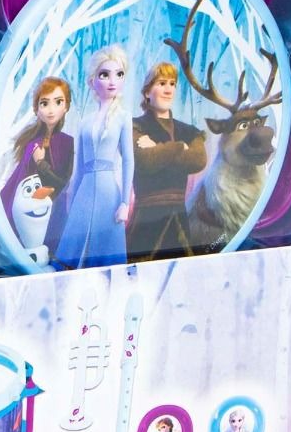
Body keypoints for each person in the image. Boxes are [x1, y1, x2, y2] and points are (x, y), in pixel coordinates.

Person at [54, 47, 135, 269]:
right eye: (104, 74)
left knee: (107, 250)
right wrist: (72, 198)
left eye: (119, 74)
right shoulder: (85, 122)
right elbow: (79, 167)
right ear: (92, 81)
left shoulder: (123, 117)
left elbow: (128, 160)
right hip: (84, 191)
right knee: (74, 248)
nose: (112, 81)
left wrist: (125, 202)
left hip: (109, 192)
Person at [128, 62, 207, 259]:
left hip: (180, 219)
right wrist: (181, 147)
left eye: (172, 84)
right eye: (162, 83)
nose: (168, 90)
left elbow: (198, 160)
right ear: (147, 92)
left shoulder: (189, 131)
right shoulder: (134, 126)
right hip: (146, 222)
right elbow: (145, 160)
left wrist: (158, 148)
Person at [1, 77, 74, 252]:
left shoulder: (67, 142)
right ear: (36, 109)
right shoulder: (32, 143)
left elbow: (62, 183)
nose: (51, 110)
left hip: (54, 211)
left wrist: (41, 163)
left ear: (66, 106)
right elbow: (20, 181)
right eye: (44, 103)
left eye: (58, 102)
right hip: (29, 212)